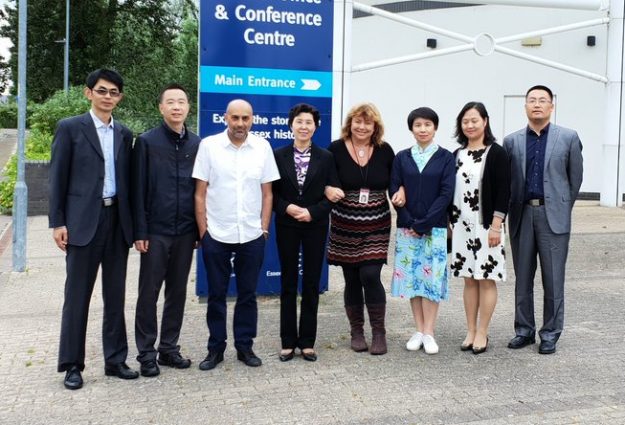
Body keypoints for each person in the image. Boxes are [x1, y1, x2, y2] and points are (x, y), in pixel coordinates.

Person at [49, 69, 138, 390]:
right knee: (77, 297)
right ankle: (72, 364)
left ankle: (115, 360)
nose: (108, 97)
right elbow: (57, 178)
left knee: (115, 296)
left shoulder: (125, 134)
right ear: (89, 93)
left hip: (116, 224)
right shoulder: (71, 129)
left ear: (120, 98)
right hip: (81, 224)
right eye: (102, 91)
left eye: (114, 92)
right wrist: (57, 221)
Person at [193, 99, 280, 370]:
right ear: (225, 118)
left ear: (252, 119)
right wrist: (204, 232)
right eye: (235, 118)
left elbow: (268, 193)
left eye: (246, 118)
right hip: (217, 232)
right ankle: (215, 349)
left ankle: (245, 347)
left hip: (252, 234)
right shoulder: (209, 146)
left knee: (247, 294)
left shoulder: (262, 147)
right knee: (216, 295)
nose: (240, 123)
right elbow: (200, 193)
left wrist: (264, 229)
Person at [504, 85, 583, 355]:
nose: (537, 104)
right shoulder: (512, 141)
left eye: (542, 100)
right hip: (521, 214)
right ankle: (523, 331)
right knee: (522, 277)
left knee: (553, 278)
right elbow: (508, 182)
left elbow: (575, 181)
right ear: (525, 106)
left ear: (552, 106)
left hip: (554, 218)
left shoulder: (569, 137)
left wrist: (560, 207)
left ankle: (550, 333)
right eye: (531, 100)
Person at [131, 83, 200, 377]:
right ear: (160, 108)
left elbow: (201, 190)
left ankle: (169, 349)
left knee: (177, 292)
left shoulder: (198, 144)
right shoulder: (146, 142)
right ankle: (146, 353)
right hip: (155, 232)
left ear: (188, 108)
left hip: (185, 231)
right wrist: (140, 231)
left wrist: (199, 230)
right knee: (149, 293)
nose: (176, 107)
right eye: (170, 102)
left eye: (181, 102)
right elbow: (137, 190)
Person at [325, 103, 401, 355]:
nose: (362, 126)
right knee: (351, 278)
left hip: (376, 221)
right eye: (358, 121)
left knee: (370, 274)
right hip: (344, 221)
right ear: (350, 123)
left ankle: (379, 332)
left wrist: (400, 193)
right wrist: (327, 188)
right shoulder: (335, 149)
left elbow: (395, 181)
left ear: (375, 126)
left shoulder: (384, 150)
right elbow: (324, 178)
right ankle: (356, 331)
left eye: (368, 123)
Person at [272, 103, 339, 362]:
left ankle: (308, 342)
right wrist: (287, 208)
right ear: (291, 125)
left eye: (308, 122)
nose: (303, 126)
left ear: (315, 126)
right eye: (299, 121)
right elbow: (271, 193)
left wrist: (313, 212)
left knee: (311, 282)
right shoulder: (278, 155)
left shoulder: (326, 157)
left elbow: (334, 192)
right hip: (287, 224)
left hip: (315, 225)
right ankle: (288, 341)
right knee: (288, 282)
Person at [390, 107, 455, 355]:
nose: (423, 129)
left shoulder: (446, 158)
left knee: (431, 281)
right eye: (418, 125)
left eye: (428, 124)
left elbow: (446, 193)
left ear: (435, 128)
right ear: (411, 129)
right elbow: (394, 189)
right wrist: (408, 220)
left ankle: (429, 332)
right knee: (412, 280)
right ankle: (418, 329)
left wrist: (424, 223)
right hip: (407, 228)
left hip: (434, 229)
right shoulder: (402, 157)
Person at [449, 102, 510, 355]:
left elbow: (504, 190)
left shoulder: (496, 153)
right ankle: (470, 330)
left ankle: (483, 331)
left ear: (485, 121)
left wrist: (496, 225)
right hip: (461, 226)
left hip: (487, 226)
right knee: (469, 281)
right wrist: (449, 223)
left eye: (474, 120)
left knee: (486, 280)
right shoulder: (456, 154)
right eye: (465, 121)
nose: (470, 125)